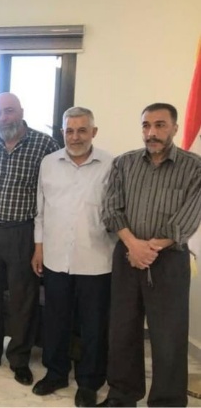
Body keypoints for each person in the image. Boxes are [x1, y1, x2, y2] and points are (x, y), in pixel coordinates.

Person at [99, 103, 201, 407]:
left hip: (169, 260)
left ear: (175, 128)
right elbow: (111, 208)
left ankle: (167, 401)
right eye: (146, 125)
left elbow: (188, 217)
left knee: (168, 335)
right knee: (123, 330)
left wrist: (149, 248)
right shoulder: (124, 163)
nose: (151, 132)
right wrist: (133, 245)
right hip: (128, 255)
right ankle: (122, 394)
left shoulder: (194, 167)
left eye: (160, 125)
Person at [0, 92, 59, 385]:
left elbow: (53, 192)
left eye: (9, 111)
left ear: (21, 111)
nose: (3, 118)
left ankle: (19, 358)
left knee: (22, 297)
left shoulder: (45, 145)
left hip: (23, 231)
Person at [30, 107, 114, 407]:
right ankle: (56, 373)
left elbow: (117, 212)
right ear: (62, 132)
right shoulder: (49, 163)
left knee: (93, 326)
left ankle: (89, 382)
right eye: (69, 130)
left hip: (97, 259)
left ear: (94, 132)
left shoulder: (111, 164)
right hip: (55, 257)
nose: (75, 137)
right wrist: (38, 248)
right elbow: (41, 210)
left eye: (81, 130)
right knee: (56, 321)